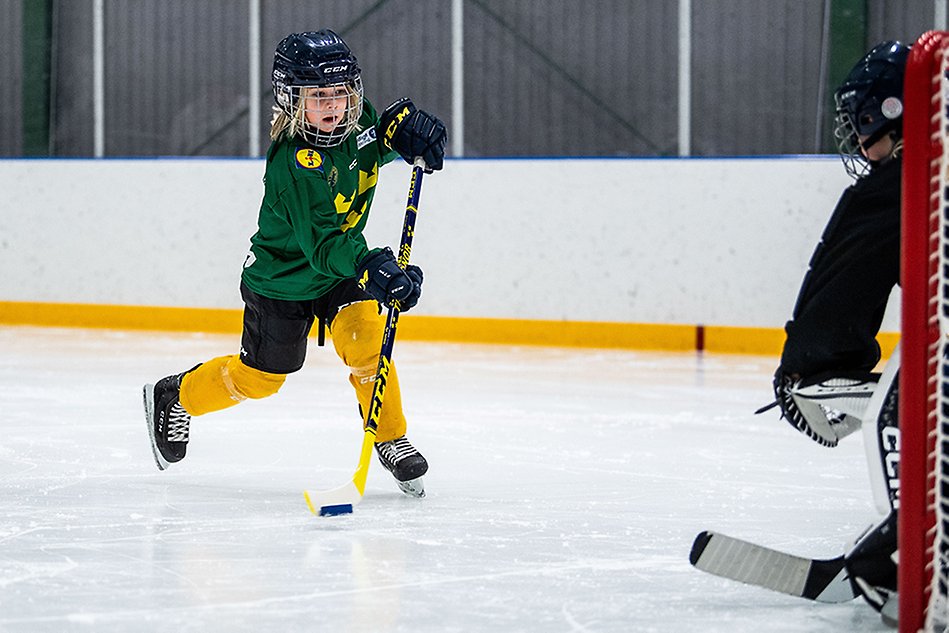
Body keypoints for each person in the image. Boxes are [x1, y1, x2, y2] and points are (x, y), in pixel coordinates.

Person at [142, 29, 447, 498]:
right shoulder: (293, 164)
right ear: (292, 100)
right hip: (283, 281)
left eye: (341, 93)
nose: (333, 106)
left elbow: (370, 146)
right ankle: (175, 395)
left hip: (341, 273)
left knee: (369, 340)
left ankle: (391, 437)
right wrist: (374, 266)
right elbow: (324, 244)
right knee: (260, 381)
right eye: (318, 96)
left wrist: (403, 133)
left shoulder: (355, 119)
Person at [764, 40, 909, 624]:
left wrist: (809, 370)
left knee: (906, 404)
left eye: (865, 124)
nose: (861, 142)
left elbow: (843, 280)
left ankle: (927, 553)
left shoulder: (898, 186)